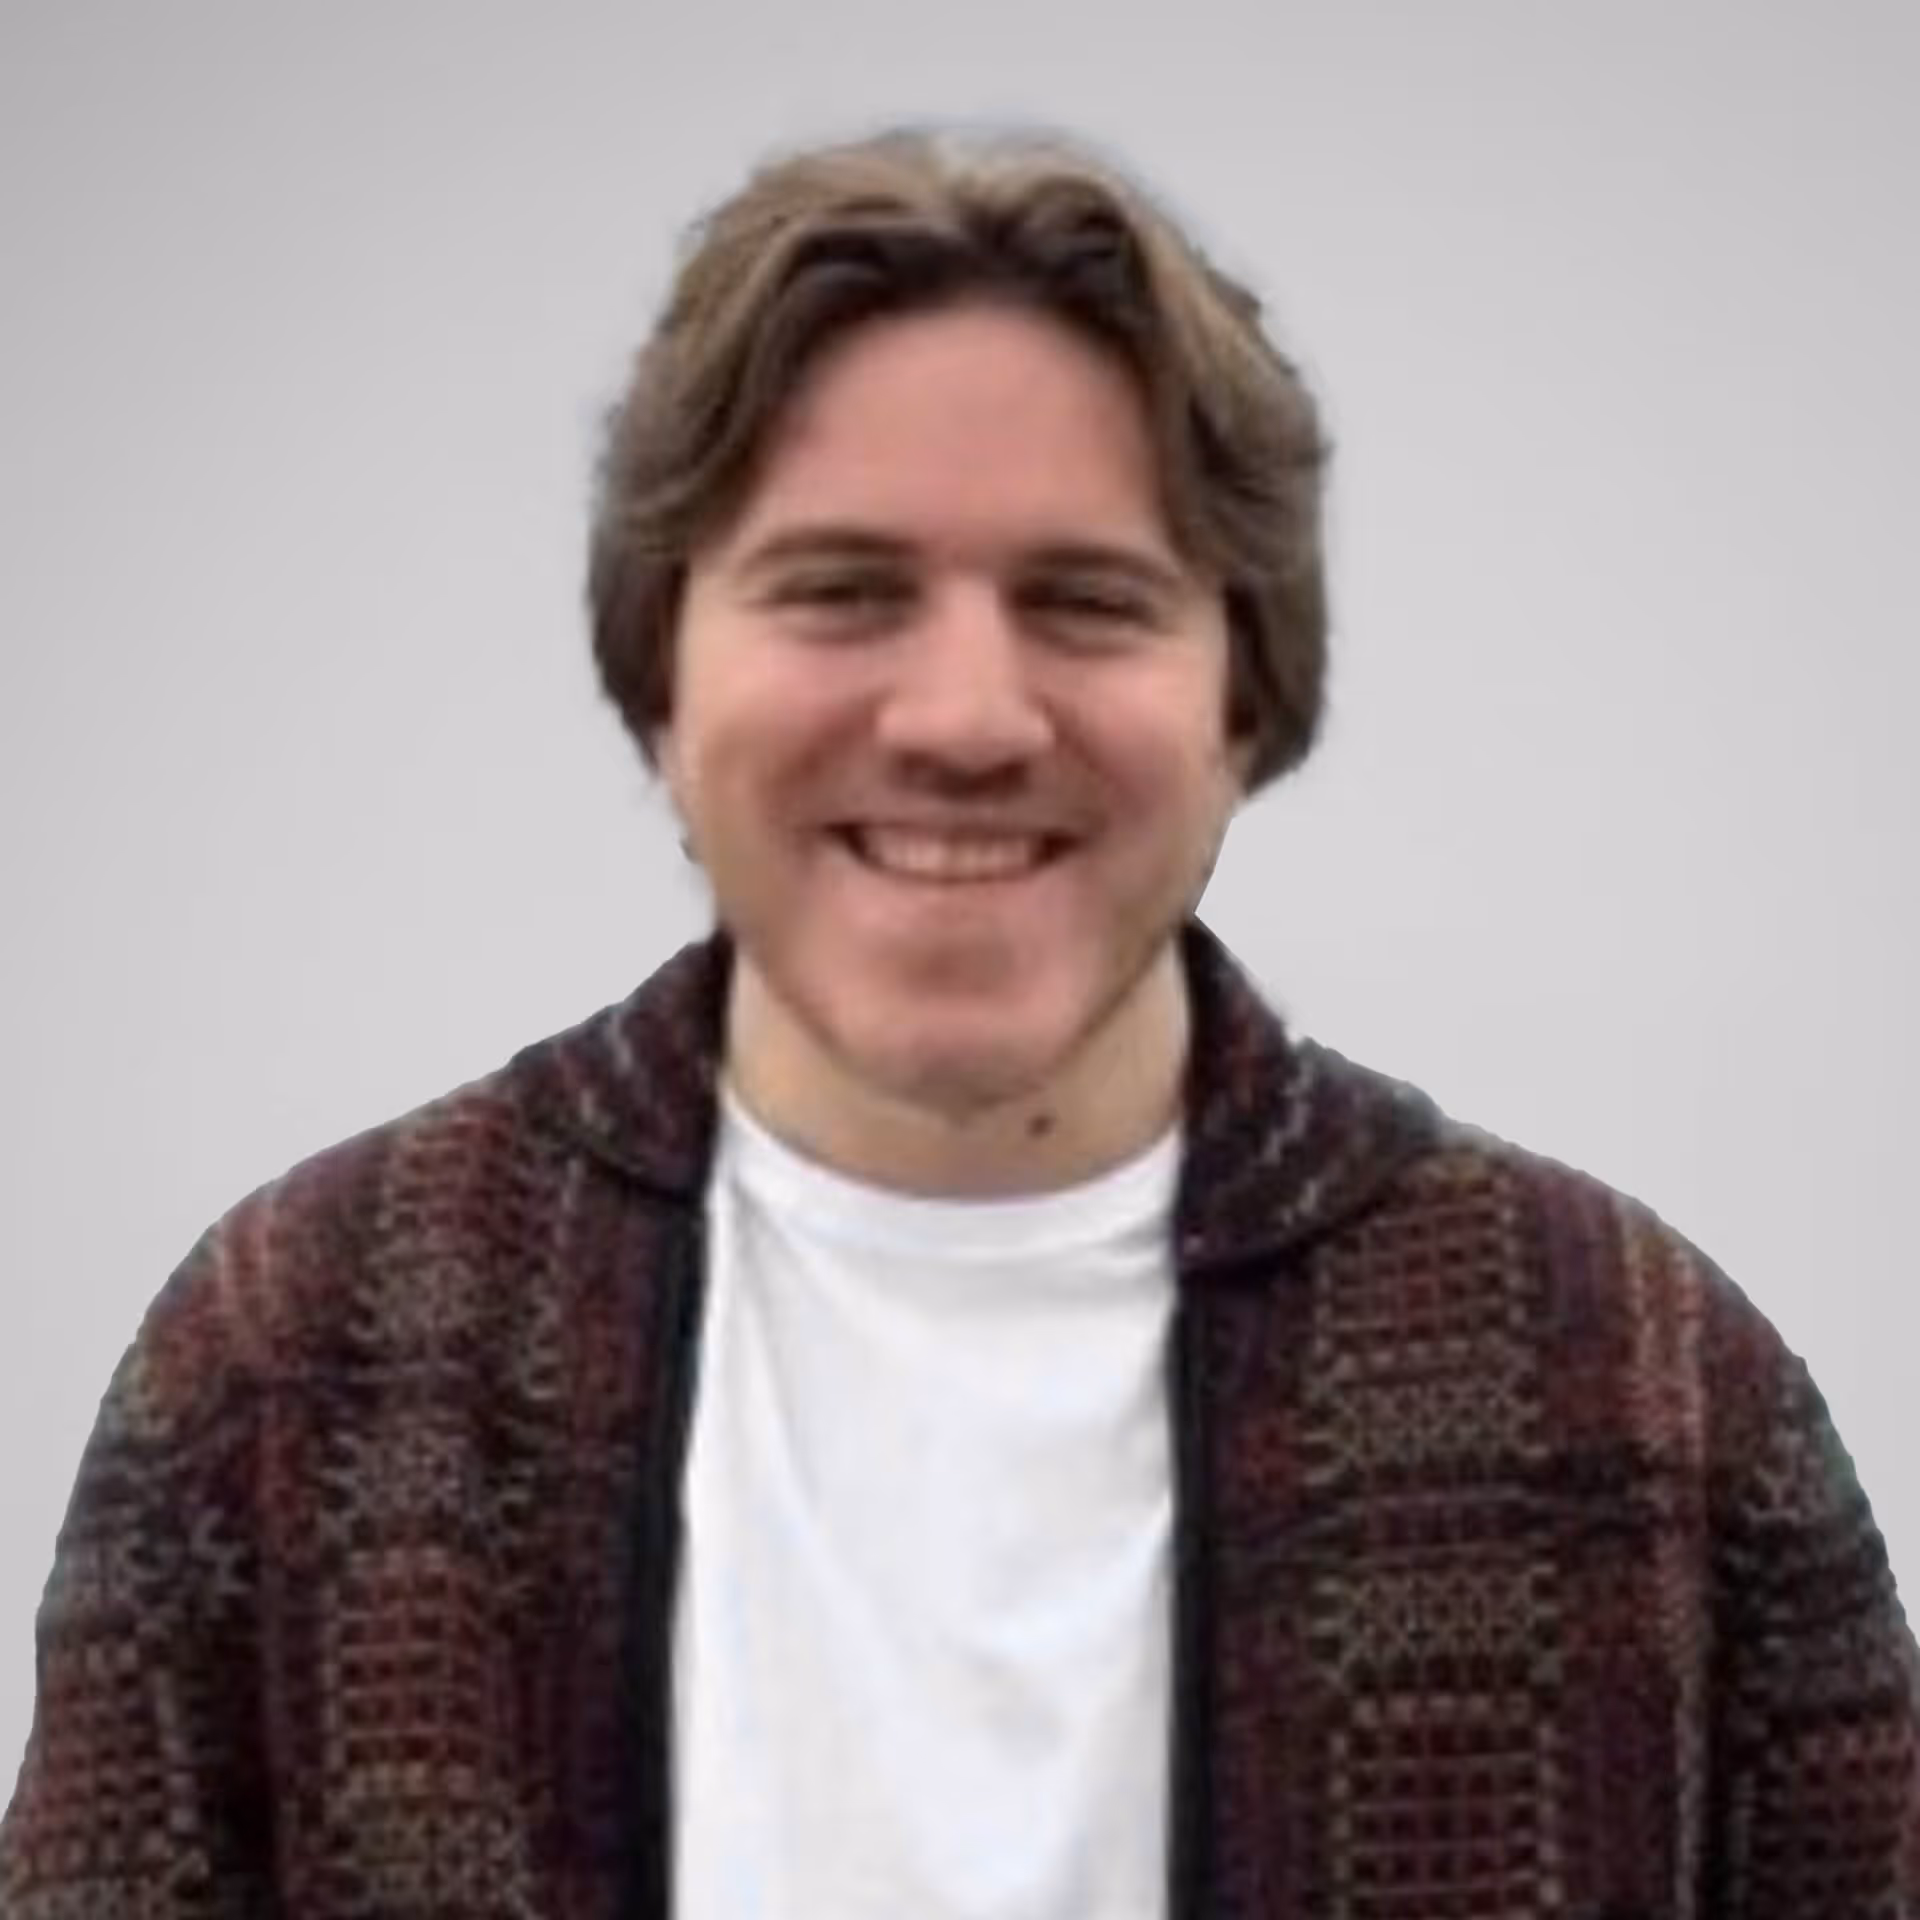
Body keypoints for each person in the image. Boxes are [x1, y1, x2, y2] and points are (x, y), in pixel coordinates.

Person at [3, 121, 1915, 1919]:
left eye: (1087, 601)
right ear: (658, 683)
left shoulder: (1638, 1386)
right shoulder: (306, 1359)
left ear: (1244, 701)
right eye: (842, 592)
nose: (967, 717)